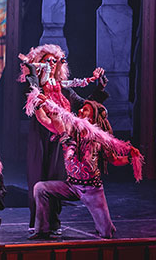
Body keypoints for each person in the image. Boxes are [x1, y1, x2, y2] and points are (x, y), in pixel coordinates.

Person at [18, 44, 106, 236]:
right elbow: (39, 110)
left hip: (61, 139)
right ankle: (38, 221)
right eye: (47, 61)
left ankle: (54, 221)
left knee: (57, 177)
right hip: (41, 137)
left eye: (54, 61)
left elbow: (86, 106)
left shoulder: (65, 91)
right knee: (38, 176)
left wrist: (99, 86)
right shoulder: (35, 87)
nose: (51, 64)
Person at [28, 92, 142, 240]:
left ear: (93, 117)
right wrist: (37, 103)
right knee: (40, 188)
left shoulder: (98, 138)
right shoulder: (67, 129)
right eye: (81, 108)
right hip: (71, 186)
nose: (80, 110)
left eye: (85, 109)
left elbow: (114, 160)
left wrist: (130, 158)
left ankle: (106, 224)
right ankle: (42, 230)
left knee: (106, 234)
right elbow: (45, 120)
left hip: (92, 190)